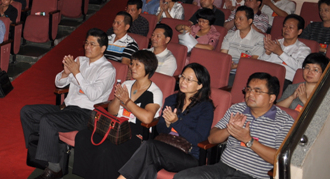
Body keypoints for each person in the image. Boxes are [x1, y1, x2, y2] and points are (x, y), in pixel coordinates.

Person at [21, 29, 115, 179]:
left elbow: (93, 95)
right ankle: (39, 153)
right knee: (27, 111)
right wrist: (65, 73)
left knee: (48, 120)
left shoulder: (107, 69)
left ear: (103, 48)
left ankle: (54, 169)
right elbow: (59, 84)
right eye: (86, 43)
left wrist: (76, 73)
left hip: (86, 114)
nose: (87, 47)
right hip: (67, 108)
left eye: (92, 44)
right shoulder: (80, 60)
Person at [175, 72, 294, 179]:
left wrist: (248, 140)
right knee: (182, 177)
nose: (250, 94)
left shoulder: (284, 122)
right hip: (222, 168)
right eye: (248, 89)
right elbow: (211, 138)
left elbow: (280, 159)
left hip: (251, 175)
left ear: (271, 98)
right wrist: (229, 130)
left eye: (257, 91)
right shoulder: (237, 109)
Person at [73, 50, 162, 179]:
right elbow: (112, 111)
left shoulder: (154, 92)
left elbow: (148, 118)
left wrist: (127, 101)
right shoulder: (126, 84)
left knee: (107, 149)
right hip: (115, 126)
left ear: (148, 68)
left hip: (135, 132)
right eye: (132, 64)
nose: (132, 67)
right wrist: (118, 98)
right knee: (82, 137)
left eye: (137, 65)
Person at [116, 64, 214, 179]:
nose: (183, 81)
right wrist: (167, 124)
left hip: (189, 155)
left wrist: (176, 122)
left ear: (200, 85)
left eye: (189, 79)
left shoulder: (205, 108)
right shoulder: (172, 100)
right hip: (165, 148)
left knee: (149, 147)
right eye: (182, 77)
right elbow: (160, 130)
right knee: (148, 162)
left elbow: (199, 139)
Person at [259, 14, 311, 87]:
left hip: (285, 80)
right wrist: (267, 53)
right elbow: (260, 64)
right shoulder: (274, 43)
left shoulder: (304, 49)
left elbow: (300, 67)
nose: (286, 29)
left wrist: (280, 53)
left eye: (291, 27)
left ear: (299, 31)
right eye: (285, 26)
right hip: (266, 77)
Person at [221, 6, 265, 85]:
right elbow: (223, 54)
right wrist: (228, 65)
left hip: (245, 71)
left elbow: (254, 59)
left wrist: (234, 66)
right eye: (235, 18)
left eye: (240, 19)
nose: (237, 21)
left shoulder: (259, 38)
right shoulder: (229, 35)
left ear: (250, 21)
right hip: (227, 67)